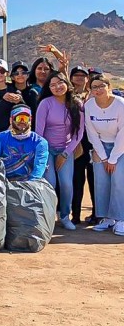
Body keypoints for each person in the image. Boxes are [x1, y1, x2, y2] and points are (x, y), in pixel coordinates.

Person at [35, 71, 85, 231]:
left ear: (67, 83)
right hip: (47, 149)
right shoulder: (45, 104)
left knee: (66, 184)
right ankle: (49, 217)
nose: (57, 87)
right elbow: (39, 132)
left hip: (66, 149)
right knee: (50, 183)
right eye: (52, 85)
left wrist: (65, 154)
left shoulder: (77, 104)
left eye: (60, 83)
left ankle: (64, 216)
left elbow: (79, 133)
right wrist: (43, 154)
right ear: (48, 88)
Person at [85, 76, 124, 235]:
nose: (98, 89)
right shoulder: (89, 105)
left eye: (102, 86)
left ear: (109, 87)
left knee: (118, 182)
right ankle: (107, 218)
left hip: (120, 147)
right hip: (100, 147)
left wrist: (113, 158)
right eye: (94, 87)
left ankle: (121, 219)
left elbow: (123, 132)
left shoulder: (120, 104)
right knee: (101, 183)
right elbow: (91, 132)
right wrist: (103, 156)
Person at [0, 105, 49, 181]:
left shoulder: (40, 142)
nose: (22, 121)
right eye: (18, 118)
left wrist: (30, 185)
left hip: (29, 184)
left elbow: (39, 169)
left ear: (30, 120)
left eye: (25, 118)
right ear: (11, 120)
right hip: (3, 182)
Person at [70, 65, 96, 225]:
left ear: (87, 79)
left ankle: (97, 214)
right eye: (76, 75)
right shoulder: (68, 95)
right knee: (77, 181)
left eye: (83, 75)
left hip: (93, 144)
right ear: (71, 78)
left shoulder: (93, 95)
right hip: (76, 143)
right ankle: (76, 215)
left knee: (95, 181)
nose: (79, 77)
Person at [0, 59, 23, 138]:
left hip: (11, 136)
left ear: (7, 73)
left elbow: (21, 112)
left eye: (2, 71)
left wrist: (20, 100)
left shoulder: (14, 91)